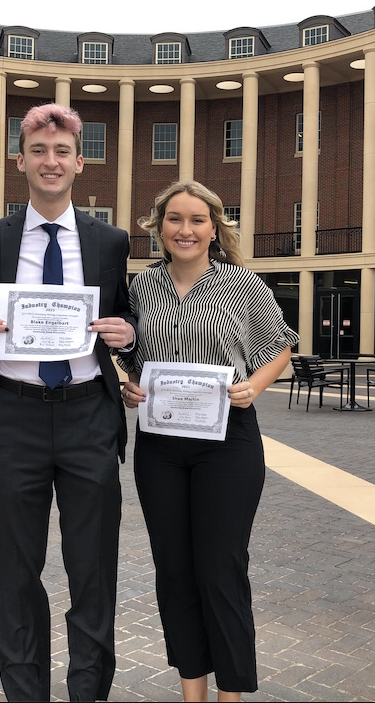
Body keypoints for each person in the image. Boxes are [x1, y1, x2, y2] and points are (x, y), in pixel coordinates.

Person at [0, 103, 136, 701]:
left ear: (79, 164)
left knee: (93, 567)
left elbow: (123, 310)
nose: (52, 162)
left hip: (87, 413)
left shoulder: (110, 241)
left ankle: (87, 693)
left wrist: (125, 330)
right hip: (13, 415)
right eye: (40, 151)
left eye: (63, 152)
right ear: (21, 161)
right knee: (14, 569)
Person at [118, 180, 299, 702]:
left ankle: (231, 693)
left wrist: (253, 387)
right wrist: (129, 387)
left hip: (228, 442)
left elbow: (279, 348)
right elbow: (131, 357)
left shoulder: (241, 282)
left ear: (214, 228)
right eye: (175, 219)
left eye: (197, 220)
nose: (185, 229)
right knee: (174, 569)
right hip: (161, 444)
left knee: (220, 568)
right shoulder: (140, 288)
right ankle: (192, 691)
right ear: (159, 227)